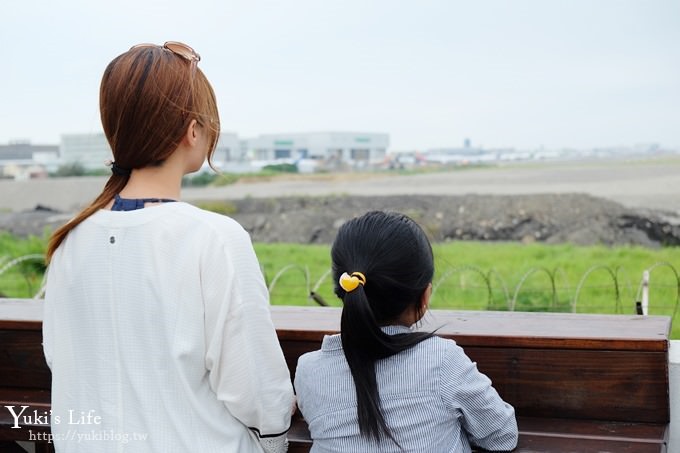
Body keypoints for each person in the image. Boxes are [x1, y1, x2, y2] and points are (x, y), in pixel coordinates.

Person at [43, 41, 294, 452]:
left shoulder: (71, 241)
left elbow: (64, 361)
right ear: (192, 130)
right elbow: (257, 393)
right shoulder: (214, 238)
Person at [294, 211, 518, 452]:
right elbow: (501, 437)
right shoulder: (442, 362)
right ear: (425, 296)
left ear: (344, 288)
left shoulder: (309, 371)